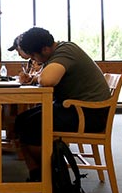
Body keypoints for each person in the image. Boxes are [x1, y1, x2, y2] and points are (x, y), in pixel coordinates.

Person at [14, 27, 111, 182]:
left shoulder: (65, 51)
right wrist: (35, 77)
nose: (33, 60)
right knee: (21, 121)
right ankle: (37, 177)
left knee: (31, 126)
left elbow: (48, 80)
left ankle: (50, 177)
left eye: (33, 55)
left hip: (90, 115)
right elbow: (45, 76)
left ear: (45, 49)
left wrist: (37, 77)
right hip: (76, 109)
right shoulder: (58, 52)